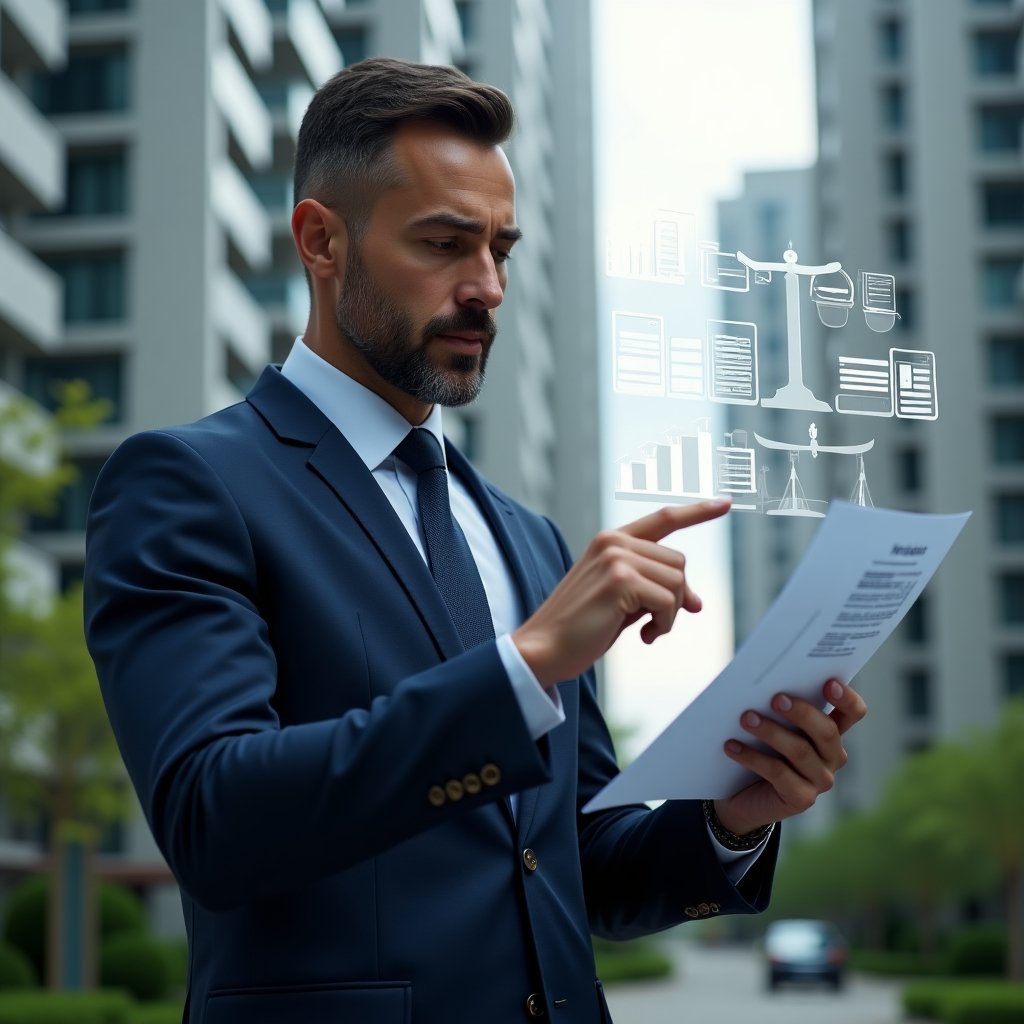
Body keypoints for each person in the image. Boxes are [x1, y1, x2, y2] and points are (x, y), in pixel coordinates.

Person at [84, 57, 866, 1024]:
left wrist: (730, 820)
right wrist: (529, 661)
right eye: (446, 244)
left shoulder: (527, 538)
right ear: (321, 241)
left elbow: (573, 869)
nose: (487, 286)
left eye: (501, 248)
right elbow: (214, 818)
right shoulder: (191, 484)